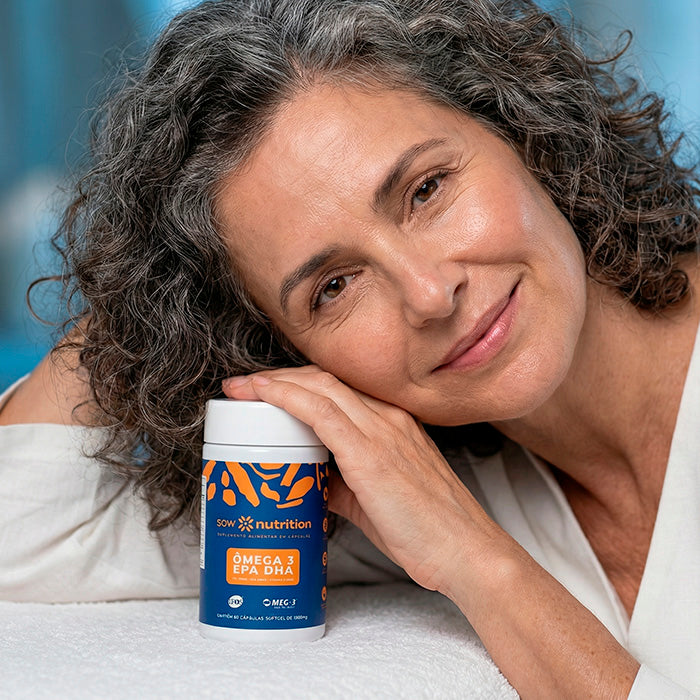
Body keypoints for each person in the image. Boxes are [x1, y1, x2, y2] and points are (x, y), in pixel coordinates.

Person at [0, 0, 698, 696]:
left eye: (426, 190)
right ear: (285, 353)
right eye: (333, 287)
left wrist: (478, 563)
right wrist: (150, 288)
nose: (430, 294)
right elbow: (25, 529)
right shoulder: (408, 489)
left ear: (525, 129)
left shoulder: (441, 511)